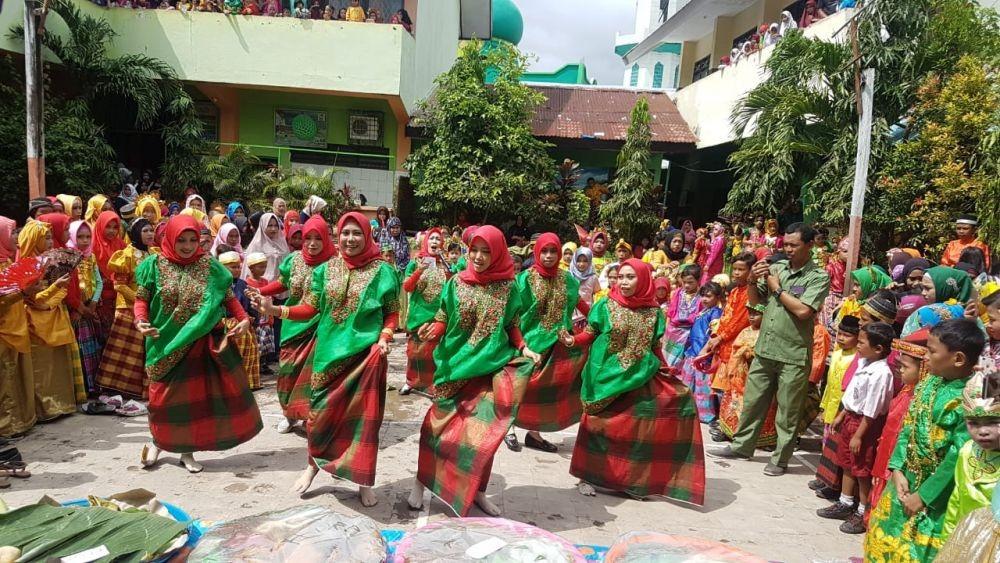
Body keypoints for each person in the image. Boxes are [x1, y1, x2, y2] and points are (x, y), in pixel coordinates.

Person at [407, 225, 537, 517]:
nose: (478, 257)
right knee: (436, 429)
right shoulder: (456, 283)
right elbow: (443, 317)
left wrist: (524, 347)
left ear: (498, 252)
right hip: (453, 367)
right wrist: (434, 331)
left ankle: (478, 491)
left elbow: (511, 324)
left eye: (486, 251)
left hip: (491, 370)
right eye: (474, 250)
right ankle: (420, 482)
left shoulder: (509, 287)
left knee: (483, 436)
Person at [563, 259, 706, 503]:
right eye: (620, 277)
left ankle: (627, 480)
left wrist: (665, 366)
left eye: (630, 277)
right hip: (604, 376)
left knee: (633, 430)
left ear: (643, 279)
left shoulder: (653, 312)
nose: (624, 282)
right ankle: (586, 476)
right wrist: (572, 341)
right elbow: (591, 333)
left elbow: (654, 346)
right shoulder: (605, 305)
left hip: (640, 376)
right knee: (597, 427)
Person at [135, 215, 262, 474]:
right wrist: (140, 321)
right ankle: (159, 441)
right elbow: (142, 299)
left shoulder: (210, 266)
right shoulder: (153, 266)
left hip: (200, 342)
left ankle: (186, 451)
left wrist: (244, 319)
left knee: (193, 401)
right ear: (168, 238)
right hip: (163, 341)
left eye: (193, 240)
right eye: (181, 240)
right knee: (161, 400)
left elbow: (229, 299)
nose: (188, 245)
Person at [709, 223, 830, 477]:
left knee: (787, 411)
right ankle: (742, 446)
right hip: (766, 348)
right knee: (752, 402)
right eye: (785, 244)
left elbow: (803, 310)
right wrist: (753, 279)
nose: (788, 249)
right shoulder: (777, 268)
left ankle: (780, 458)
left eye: (794, 245)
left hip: (794, 354)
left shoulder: (817, 276)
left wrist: (776, 288)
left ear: (809, 245)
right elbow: (756, 301)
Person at [864, 318, 986, 561]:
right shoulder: (928, 383)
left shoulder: (971, 397)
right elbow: (908, 427)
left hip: (937, 496)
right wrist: (897, 469)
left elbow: (959, 454)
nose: (925, 357)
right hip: (904, 482)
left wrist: (925, 496)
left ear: (958, 359)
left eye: (931, 351)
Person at [247, 215, 335, 433]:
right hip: (292, 324)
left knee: (313, 376)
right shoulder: (294, 260)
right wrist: (260, 290)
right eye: (308, 238)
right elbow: (282, 283)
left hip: (319, 326)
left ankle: (308, 417)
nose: (312, 243)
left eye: (318, 238)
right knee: (287, 372)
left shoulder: (335, 265)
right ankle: (289, 414)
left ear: (326, 239)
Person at [506, 233, 588, 453]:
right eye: (544, 251)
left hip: (557, 344)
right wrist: (520, 343)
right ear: (536, 252)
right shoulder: (524, 279)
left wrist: (602, 321)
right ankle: (509, 428)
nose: (549, 256)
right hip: (528, 343)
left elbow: (580, 303)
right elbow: (512, 314)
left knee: (543, 392)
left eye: (553, 251)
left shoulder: (568, 280)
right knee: (520, 386)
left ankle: (534, 434)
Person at [817, 322, 895, 535]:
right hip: (851, 418)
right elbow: (851, 393)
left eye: (861, 342)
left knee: (862, 468)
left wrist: (859, 435)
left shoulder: (882, 373)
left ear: (878, 349)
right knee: (847, 463)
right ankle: (845, 502)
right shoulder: (863, 364)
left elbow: (872, 409)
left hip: (865, 425)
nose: (857, 345)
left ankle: (863, 511)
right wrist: (842, 414)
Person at [19, 221, 84, 420]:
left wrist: (56, 293)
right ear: (33, 240)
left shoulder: (50, 261)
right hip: (36, 320)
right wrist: (55, 287)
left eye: (49, 237)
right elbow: (33, 300)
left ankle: (62, 405)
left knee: (58, 364)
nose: (49, 242)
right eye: (44, 238)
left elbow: (59, 292)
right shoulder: (26, 267)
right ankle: (44, 408)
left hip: (55, 313)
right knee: (43, 368)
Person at [867, 329, 930, 525]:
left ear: (923, 369)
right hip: (886, 456)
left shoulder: (919, 399)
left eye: (905, 366)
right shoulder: (906, 390)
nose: (899, 370)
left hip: (898, 464)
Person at [95, 218, 155, 401]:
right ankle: (117, 389)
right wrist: (139, 299)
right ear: (136, 233)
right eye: (145, 231)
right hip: (128, 308)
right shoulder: (126, 255)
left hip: (149, 308)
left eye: (151, 230)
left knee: (144, 351)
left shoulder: (154, 254)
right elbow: (119, 285)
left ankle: (142, 390)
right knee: (125, 352)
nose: (150, 234)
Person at [940, 370, 1000, 541]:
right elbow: (956, 500)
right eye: (973, 423)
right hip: (964, 542)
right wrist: (946, 544)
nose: (982, 431)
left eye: (993, 422)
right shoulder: (967, 451)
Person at [400, 228, 449, 395]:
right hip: (418, 316)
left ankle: (432, 385)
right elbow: (407, 286)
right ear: (425, 241)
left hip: (438, 317)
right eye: (432, 238)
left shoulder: (445, 265)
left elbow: (452, 289)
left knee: (433, 354)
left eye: (438, 239)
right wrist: (420, 269)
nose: (435, 241)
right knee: (414, 353)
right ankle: (410, 382)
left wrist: (449, 272)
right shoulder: (416, 262)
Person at [0, 257, 45, 437]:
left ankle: (17, 423)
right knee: (4, 382)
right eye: (11, 233)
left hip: (17, 328)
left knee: (14, 380)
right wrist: (22, 293)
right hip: (4, 331)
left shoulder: (10, 262)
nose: (15, 238)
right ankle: (5, 428)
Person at [717, 303, 772, 444]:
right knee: (734, 402)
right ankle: (730, 431)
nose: (752, 317)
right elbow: (735, 351)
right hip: (740, 377)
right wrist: (743, 352)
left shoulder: (767, 333)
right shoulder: (745, 331)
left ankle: (761, 438)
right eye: (750, 313)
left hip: (757, 375)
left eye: (756, 314)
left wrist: (751, 353)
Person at [65, 221, 103, 395]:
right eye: (80, 237)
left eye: (88, 236)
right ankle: (81, 388)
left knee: (90, 349)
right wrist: (80, 309)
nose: (85, 240)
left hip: (88, 309)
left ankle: (92, 385)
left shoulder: (91, 256)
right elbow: (66, 290)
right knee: (78, 350)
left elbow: (99, 282)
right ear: (72, 236)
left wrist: (93, 305)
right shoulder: (67, 257)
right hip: (74, 312)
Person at [680, 282, 724, 423]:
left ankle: (706, 415)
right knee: (688, 384)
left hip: (703, 356)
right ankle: (689, 410)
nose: (704, 299)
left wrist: (704, 351)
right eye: (703, 296)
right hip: (693, 352)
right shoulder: (704, 311)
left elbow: (714, 334)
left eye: (709, 296)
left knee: (702, 388)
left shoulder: (716, 313)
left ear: (717, 297)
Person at [218, 251, 261, 390]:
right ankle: (232, 384)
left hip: (244, 323)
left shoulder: (243, 284)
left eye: (238, 267)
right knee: (231, 355)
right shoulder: (217, 285)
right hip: (226, 323)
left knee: (250, 353)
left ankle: (248, 383)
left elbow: (249, 305)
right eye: (232, 267)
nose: (237, 270)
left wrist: (253, 318)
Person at [663, 264, 703, 367]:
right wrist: (666, 330)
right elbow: (671, 313)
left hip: (689, 332)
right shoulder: (678, 293)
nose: (686, 285)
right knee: (667, 357)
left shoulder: (702, 295)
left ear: (699, 280)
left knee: (681, 360)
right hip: (673, 330)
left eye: (690, 282)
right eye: (684, 282)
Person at [241, 212, 289, 282]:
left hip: (280, 284)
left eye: (276, 226)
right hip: (262, 284)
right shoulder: (256, 245)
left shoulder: (282, 243)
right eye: (269, 226)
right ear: (263, 226)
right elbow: (248, 268)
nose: (273, 229)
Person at [570, 247, 599, 329]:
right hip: (571, 316)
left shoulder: (593, 278)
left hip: (586, 316)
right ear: (575, 260)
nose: (581, 264)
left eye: (585, 261)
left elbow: (597, 294)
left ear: (590, 261)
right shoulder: (569, 276)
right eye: (579, 260)